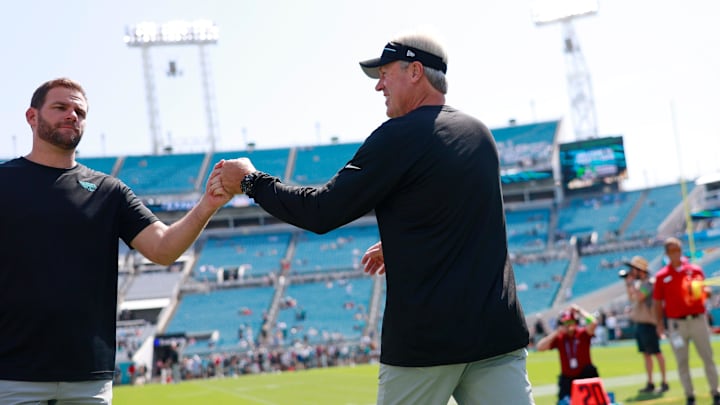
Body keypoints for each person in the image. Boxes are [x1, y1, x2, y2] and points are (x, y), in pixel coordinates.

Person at [217, 32, 534, 404]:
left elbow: (321, 211)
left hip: (427, 344)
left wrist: (252, 181)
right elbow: (462, 214)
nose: (379, 86)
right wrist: (405, 241)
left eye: (385, 74)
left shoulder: (398, 136)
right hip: (497, 333)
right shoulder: (479, 132)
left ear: (415, 71)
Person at [0, 78, 232, 404]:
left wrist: (208, 204)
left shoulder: (110, 191)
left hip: (88, 379)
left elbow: (163, 248)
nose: (72, 115)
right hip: (11, 376)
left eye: (79, 111)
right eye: (60, 107)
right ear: (32, 117)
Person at [653, 237, 720, 405]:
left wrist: (703, 291)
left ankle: (715, 391)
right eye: (672, 251)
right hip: (676, 324)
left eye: (678, 250)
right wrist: (660, 324)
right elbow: (657, 302)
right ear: (667, 253)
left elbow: (706, 292)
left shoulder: (695, 270)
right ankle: (689, 395)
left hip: (698, 320)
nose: (676, 254)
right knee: (682, 361)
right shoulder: (662, 276)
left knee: (708, 357)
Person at [622, 255, 669, 393]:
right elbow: (632, 299)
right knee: (646, 354)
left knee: (656, 352)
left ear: (639, 270)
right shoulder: (640, 284)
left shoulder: (649, 283)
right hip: (641, 323)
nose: (631, 272)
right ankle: (650, 382)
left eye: (633, 269)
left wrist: (631, 285)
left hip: (649, 323)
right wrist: (628, 284)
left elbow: (640, 297)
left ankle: (664, 381)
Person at [536, 304, 600, 404]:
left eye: (571, 322)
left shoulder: (583, 333)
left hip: (585, 376)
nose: (569, 325)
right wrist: (557, 332)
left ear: (575, 322)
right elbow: (540, 347)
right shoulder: (559, 338)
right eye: (566, 323)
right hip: (568, 379)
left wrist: (579, 310)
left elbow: (593, 322)